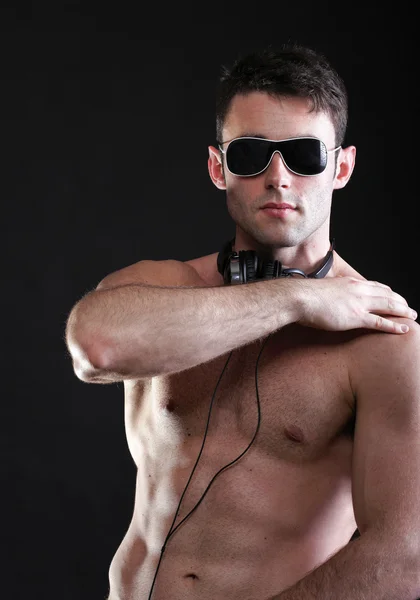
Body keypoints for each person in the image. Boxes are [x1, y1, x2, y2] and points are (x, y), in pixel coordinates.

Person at [65, 43, 420, 600]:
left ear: (341, 167)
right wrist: (297, 301)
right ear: (217, 167)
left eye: (304, 155)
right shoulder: (168, 288)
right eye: (252, 153)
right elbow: (96, 347)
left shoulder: (383, 339)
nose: (279, 178)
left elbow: (403, 559)